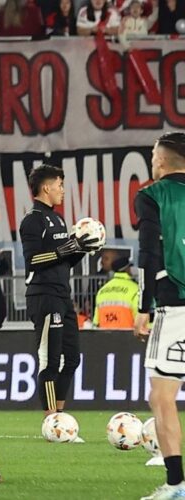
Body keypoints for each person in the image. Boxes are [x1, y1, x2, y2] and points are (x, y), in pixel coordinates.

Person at [19, 164, 99, 422]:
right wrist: (66, 249)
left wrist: (81, 249)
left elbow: (61, 262)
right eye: (60, 185)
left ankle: (60, 418)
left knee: (72, 359)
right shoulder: (32, 219)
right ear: (46, 187)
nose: (63, 190)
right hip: (43, 296)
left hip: (63, 296)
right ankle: (51, 421)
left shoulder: (60, 219)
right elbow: (32, 260)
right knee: (50, 361)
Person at [134, 132, 185, 500]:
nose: (152, 160)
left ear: (163, 162)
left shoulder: (152, 195)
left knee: (162, 396)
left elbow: (149, 253)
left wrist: (143, 309)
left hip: (176, 303)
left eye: (153, 155)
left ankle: (176, 484)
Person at [93, 257, 139, 329]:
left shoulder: (102, 291)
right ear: (127, 269)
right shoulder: (135, 289)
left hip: (104, 336)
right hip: (127, 336)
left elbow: (96, 322)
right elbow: (139, 316)